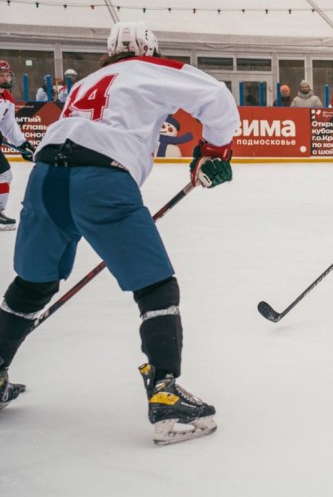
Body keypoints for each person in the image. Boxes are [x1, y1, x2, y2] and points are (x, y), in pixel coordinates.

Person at [0, 22, 238, 446]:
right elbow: (216, 97)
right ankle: (165, 394)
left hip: (44, 177)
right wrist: (214, 149)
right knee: (156, 286)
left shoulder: (86, 82)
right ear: (149, 49)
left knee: (32, 285)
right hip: (101, 180)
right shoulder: (151, 68)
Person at [0, 59, 35, 231]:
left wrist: (23, 143)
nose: (5, 79)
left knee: (4, 175)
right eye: (1, 76)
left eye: (7, 75)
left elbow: (8, 125)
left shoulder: (7, 98)